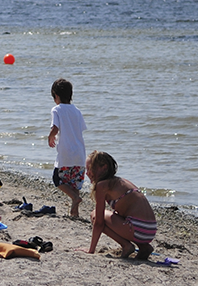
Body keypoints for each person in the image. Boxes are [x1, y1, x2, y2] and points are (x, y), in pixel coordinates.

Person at [85, 151, 155, 259]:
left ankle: (126, 245)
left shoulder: (103, 185)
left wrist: (91, 250)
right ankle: (144, 247)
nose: (87, 173)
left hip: (138, 228)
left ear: (104, 168)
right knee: (114, 215)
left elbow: (99, 222)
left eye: (90, 169)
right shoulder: (120, 182)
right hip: (149, 229)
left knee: (94, 215)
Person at [47, 78, 87, 217]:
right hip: (80, 154)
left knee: (57, 179)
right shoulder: (77, 110)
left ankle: (75, 199)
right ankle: (74, 212)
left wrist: (50, 137)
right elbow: (80, 129)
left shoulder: (57, 109)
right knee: (74, 184)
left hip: (66, 154)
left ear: (56, 96)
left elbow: (55, 127)